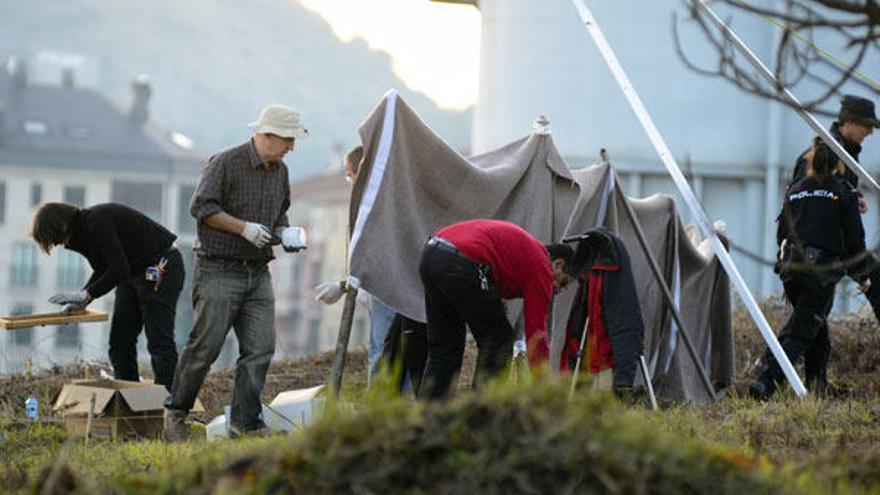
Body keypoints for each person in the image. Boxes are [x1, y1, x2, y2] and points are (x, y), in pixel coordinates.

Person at [163, 104, 307, 440]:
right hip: (218, 269)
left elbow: (279, 214)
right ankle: (175, 414)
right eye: (287, 139)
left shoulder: (280, 172)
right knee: (205, 348)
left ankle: (246, 421)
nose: (291, 147)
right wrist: (241, 228)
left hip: (258, 272)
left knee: (260, 348)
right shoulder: (225, 162)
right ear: (266, 135)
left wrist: (285, 233)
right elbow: (201, 207)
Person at [750, 138, 868, 400]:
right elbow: (854, 241)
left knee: (816, 330)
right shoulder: (842, 193)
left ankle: (816, 388)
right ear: (839, 162)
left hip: (791, 272)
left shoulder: (794, 191)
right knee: (802, 332)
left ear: (811, 160)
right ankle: (765, 383)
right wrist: (862, 276)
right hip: (821, 275)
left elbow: (781, 233)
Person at [418, 219, 580, 399]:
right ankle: (482, 415)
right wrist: (544, 387)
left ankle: (427, 417)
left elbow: (494, 265)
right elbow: (536, 334)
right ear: (557, 264)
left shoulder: (525, 253)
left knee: (445, 346)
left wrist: (494, 297)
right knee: (499, 341)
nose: (559, 289)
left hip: (432, 253)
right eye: (563, 282)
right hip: (459, 262)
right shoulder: (540, 265)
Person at [30, 201, 184, 389]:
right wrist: (82, 299)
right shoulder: (82, 234)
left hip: (159, 264)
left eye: (59, 239)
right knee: (120, 342)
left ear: (63, 225)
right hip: (132, 270)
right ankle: (129, 400)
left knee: (159, 339)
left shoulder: (96, 221)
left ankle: (167, 405)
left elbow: (118, 269)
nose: (63, 244)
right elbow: (104, 269)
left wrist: (86, 294)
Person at [787, 94, 879, 390]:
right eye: (867, 125)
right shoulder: (824, 153)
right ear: (850, 123)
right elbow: (809, 199)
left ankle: (816, 386)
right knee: (810, 320)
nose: (871, 131)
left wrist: (855, 198)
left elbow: (834, 193)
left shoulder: (847, 152)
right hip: (821, 251)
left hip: (832, 246)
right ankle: (770, 374)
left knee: (815, 320)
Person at [313, 145, 398, 386]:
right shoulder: (374, 203)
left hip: (387, 290)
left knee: (382, 350)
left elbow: (375, 254)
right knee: (386, 349)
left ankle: (379, 408)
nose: (348, 181)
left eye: (349, 175)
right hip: (380, 289)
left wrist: (343, 286)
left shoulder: (375, 206)